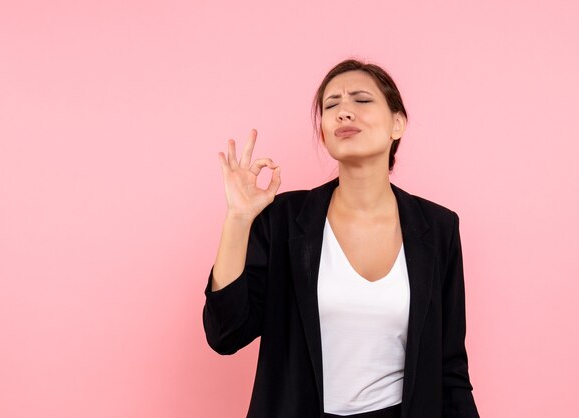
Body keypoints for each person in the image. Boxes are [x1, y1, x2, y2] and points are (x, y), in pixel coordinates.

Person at [202, 59, 480, 418]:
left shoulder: (438, 228)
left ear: (398, 123)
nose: (344, 112)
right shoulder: (284, 220)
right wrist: (238, 219)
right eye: (331, 105)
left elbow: (450, 368)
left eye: (361, 100)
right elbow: (225, 333)